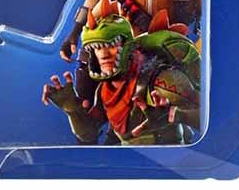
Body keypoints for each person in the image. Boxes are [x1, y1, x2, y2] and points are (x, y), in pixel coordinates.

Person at [43, 12, 200, 145]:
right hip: (128, 163)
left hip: (174, 162)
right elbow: (88, 134)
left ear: (127, 46)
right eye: (97, 48)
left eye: (111, 45)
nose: (103, 55)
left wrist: (175, 117)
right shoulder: (105, 91)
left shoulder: (162, 81)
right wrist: (72, 110)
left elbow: (205, 117)